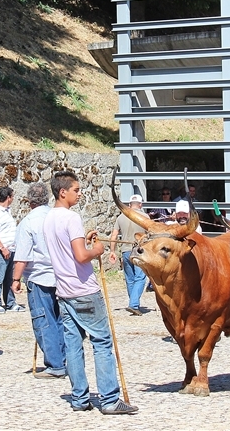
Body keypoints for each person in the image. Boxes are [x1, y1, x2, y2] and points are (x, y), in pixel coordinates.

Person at [42, 170, 137, 415]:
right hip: (84, 290)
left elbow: (69, 250)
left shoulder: (48, 218)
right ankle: (109, 399)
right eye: (76, 190)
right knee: (102, 342)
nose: (80, 193)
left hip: (63, 290)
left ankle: (79, 398)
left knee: (73, 345)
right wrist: (97, 249)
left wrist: (86, 241)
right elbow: (81, 256)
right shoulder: (71, 218)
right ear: (63, 192)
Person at [12, 182, 66, 379]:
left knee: (44, 320)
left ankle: (55, 364)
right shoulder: (57, 217)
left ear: (29, 201)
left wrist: (16, 279)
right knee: (60, 319)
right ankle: (64, 359)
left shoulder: (28, 222)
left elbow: (22, 256)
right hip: (61, 276)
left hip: (39, 276)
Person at [108, 194, 148, 316]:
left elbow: (114, 236)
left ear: (129, 205)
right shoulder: (145, 217)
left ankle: (134, 303)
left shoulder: (121, 217)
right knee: (140, 278)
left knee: (130, 279)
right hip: (139, 251)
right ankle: (134, 304)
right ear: (140, 205)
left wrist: (112, 251)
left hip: (125, 251)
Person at [0, 186, 25, 313]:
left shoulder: (6, 210)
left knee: (9, 278)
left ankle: (10, 302)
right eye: (12, 196)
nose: (13, 198)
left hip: (11, 249)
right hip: (1, 251)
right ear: (8, 198)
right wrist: (2, 248)